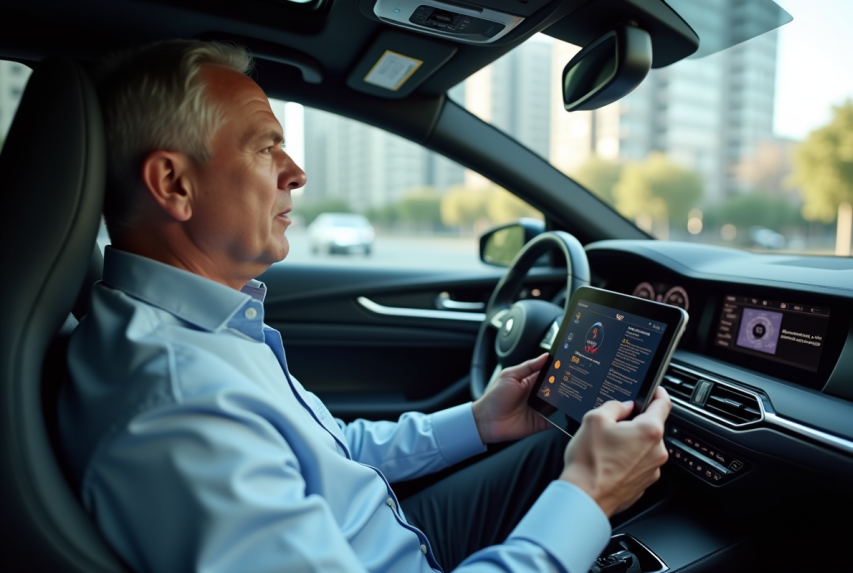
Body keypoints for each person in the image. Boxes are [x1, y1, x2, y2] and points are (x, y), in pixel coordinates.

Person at [58, 40, 671, 573]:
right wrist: (589, 498)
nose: (296, 173)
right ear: (174, 184)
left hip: (373, 532)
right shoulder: (178, 407)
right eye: (265, 148)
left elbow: (328, 450)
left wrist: (482, 421)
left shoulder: (199, 328)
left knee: (552, 444)